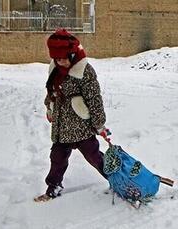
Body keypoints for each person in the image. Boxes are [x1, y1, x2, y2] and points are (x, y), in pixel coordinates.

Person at [35, 29, 109, 202]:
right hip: (62, 126)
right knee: (57, 158)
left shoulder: (85, 71)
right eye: (56, 59)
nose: (60, 62)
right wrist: (49, 108)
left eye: (63, 58)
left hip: (81, 127)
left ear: (73, 54)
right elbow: (51, 91)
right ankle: (53, 188)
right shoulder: (55, 69)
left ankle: (117, 181)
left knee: (95, 157)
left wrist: (99, 125)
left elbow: (94, 99)